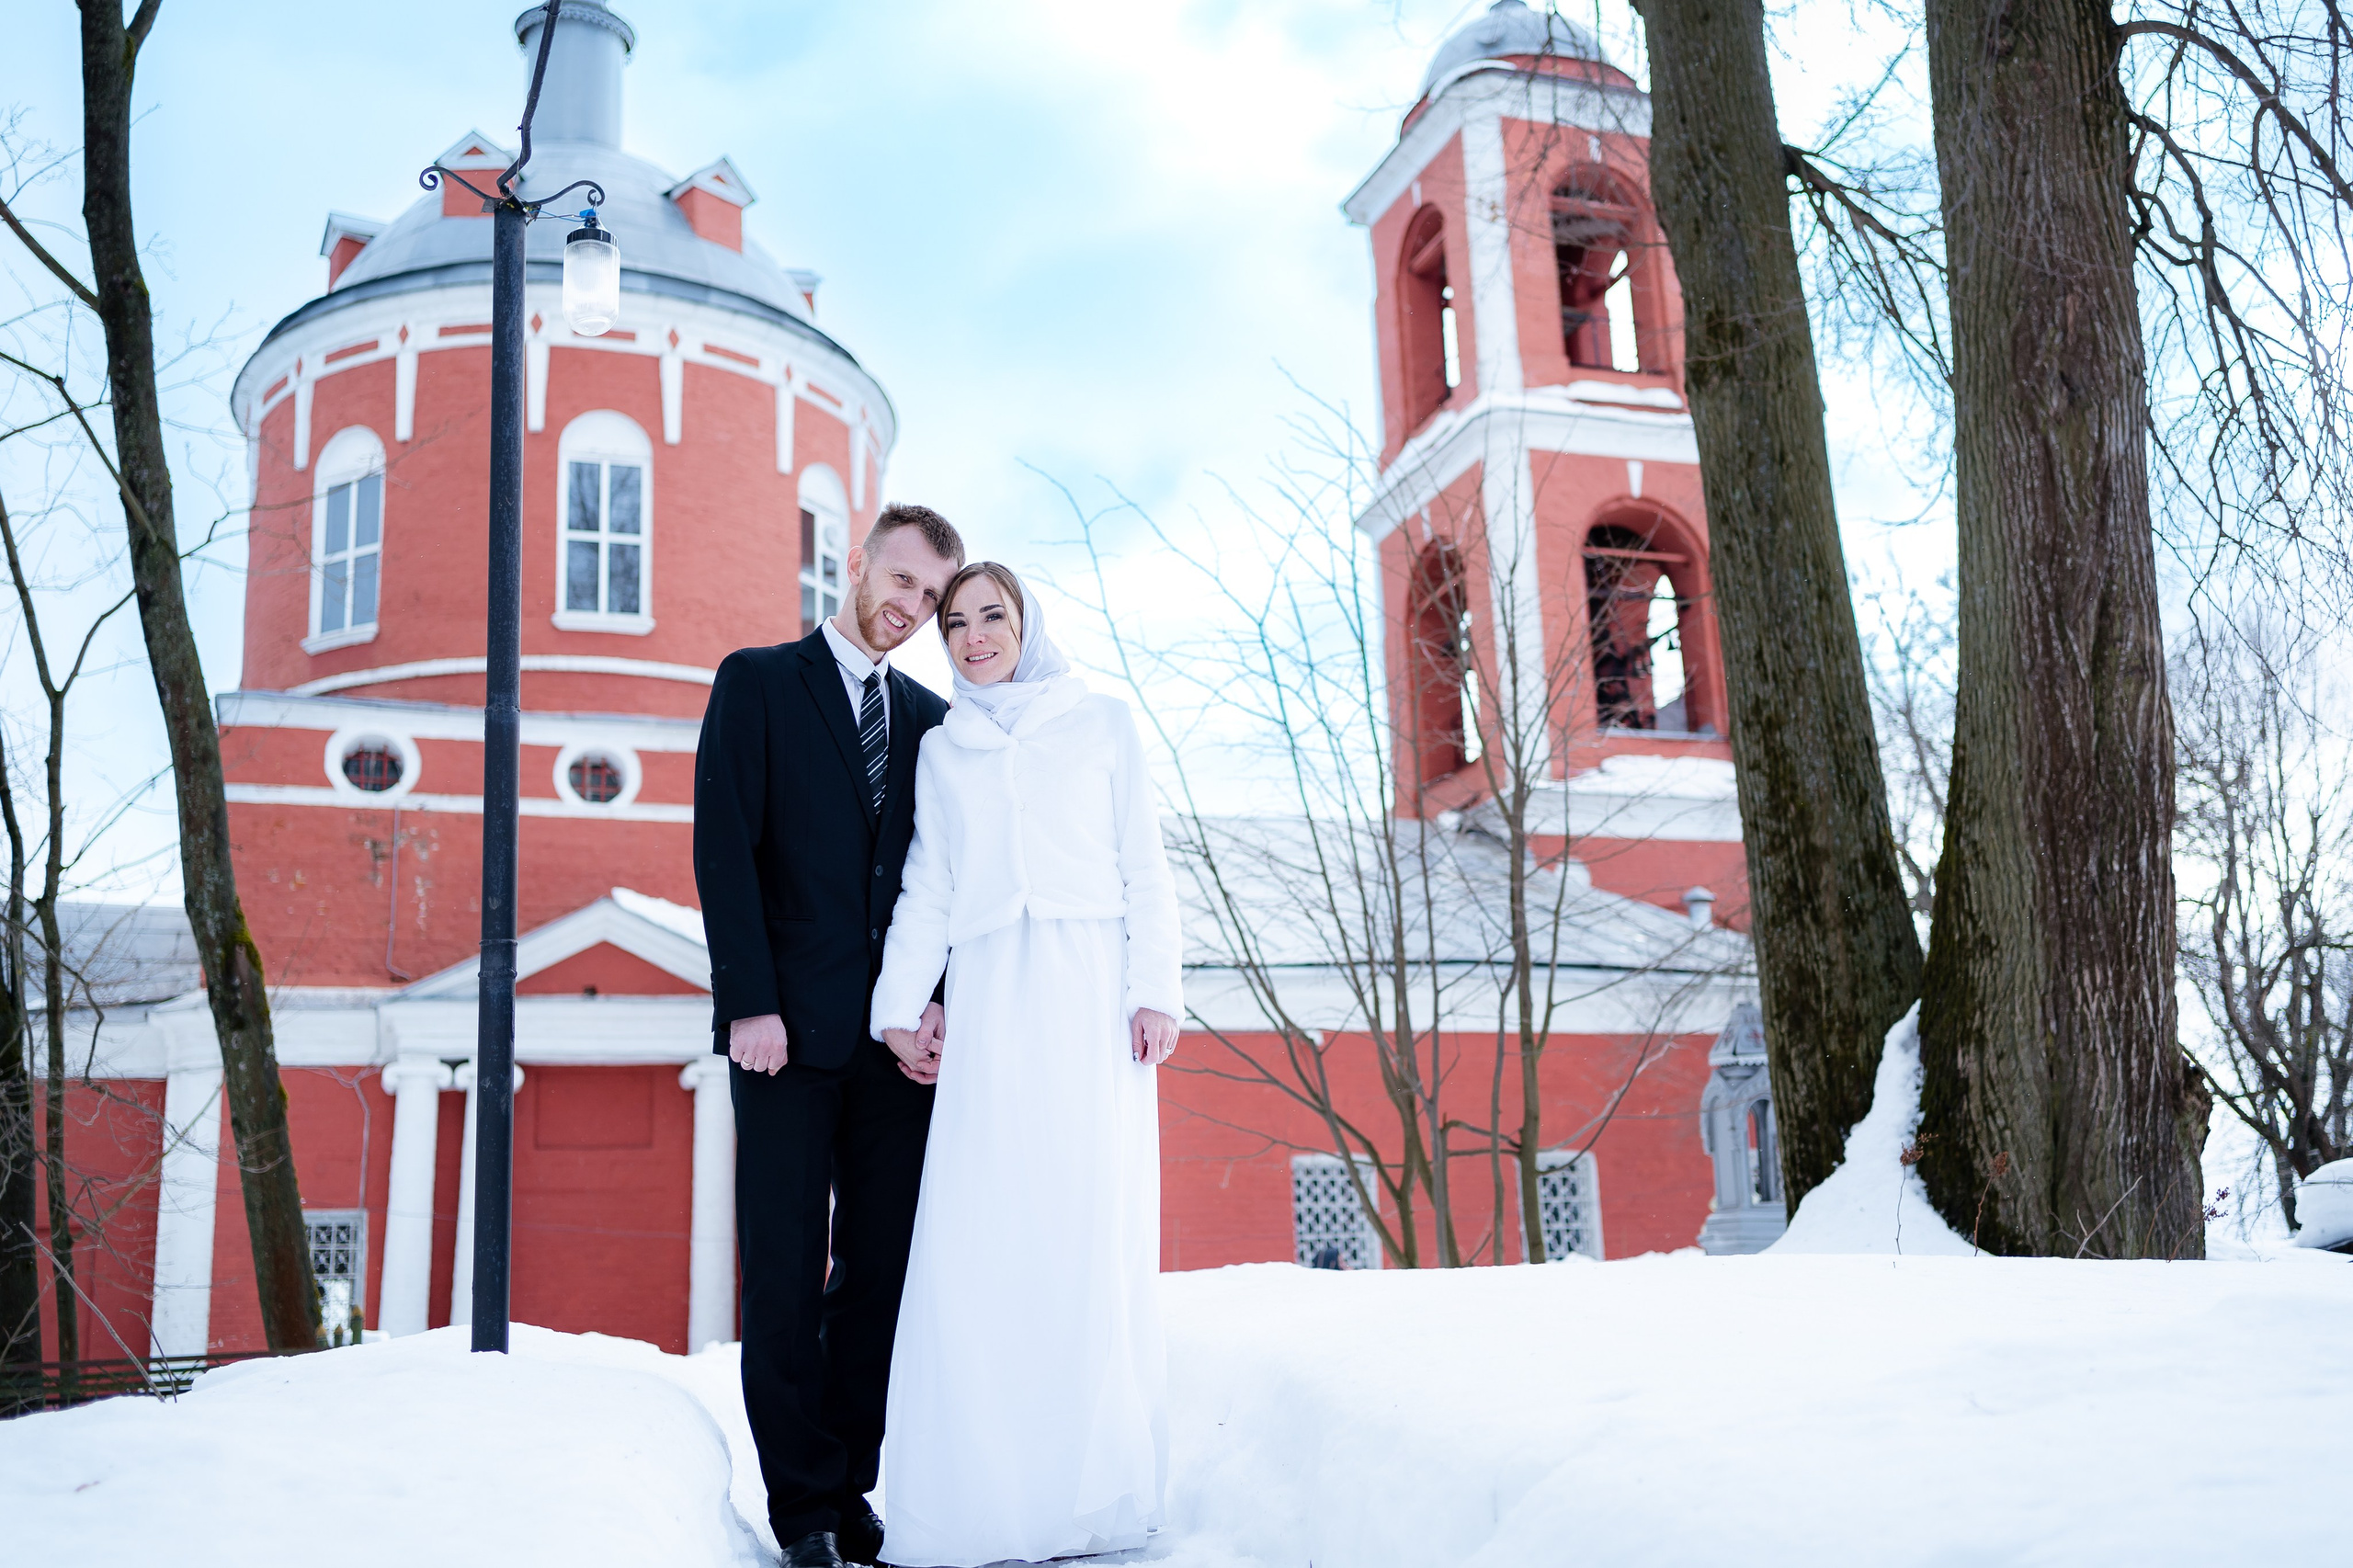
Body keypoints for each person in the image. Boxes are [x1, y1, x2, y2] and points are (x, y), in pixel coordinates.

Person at [870, 563, 1181, 1568]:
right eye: (956, 622)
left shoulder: (1102, 723)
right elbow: (928, 885)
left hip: (1090, 997)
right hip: (992, 997)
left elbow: (1146, 866)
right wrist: (898, 1010)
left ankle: (1081, 1495)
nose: (973, 636)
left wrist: (1153, 990)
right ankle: (985, 1497)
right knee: (984, 1225)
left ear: (1026, 623)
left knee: (1082, 1220)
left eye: (992, 616)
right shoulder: (942, 749)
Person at [692, 503, 967, 1568]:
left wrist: (936, 1003)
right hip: (785, 1036)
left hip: (894, 1047)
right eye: (900, 581)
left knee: (880, 1271)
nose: (911, 607)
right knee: (784, 1268)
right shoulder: (758, 681)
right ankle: (801, 1503)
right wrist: (746, 1003)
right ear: (857, 564)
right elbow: (726, 847)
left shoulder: (933, 720)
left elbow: (947, 877)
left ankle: (849, 1484)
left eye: (930, 597)